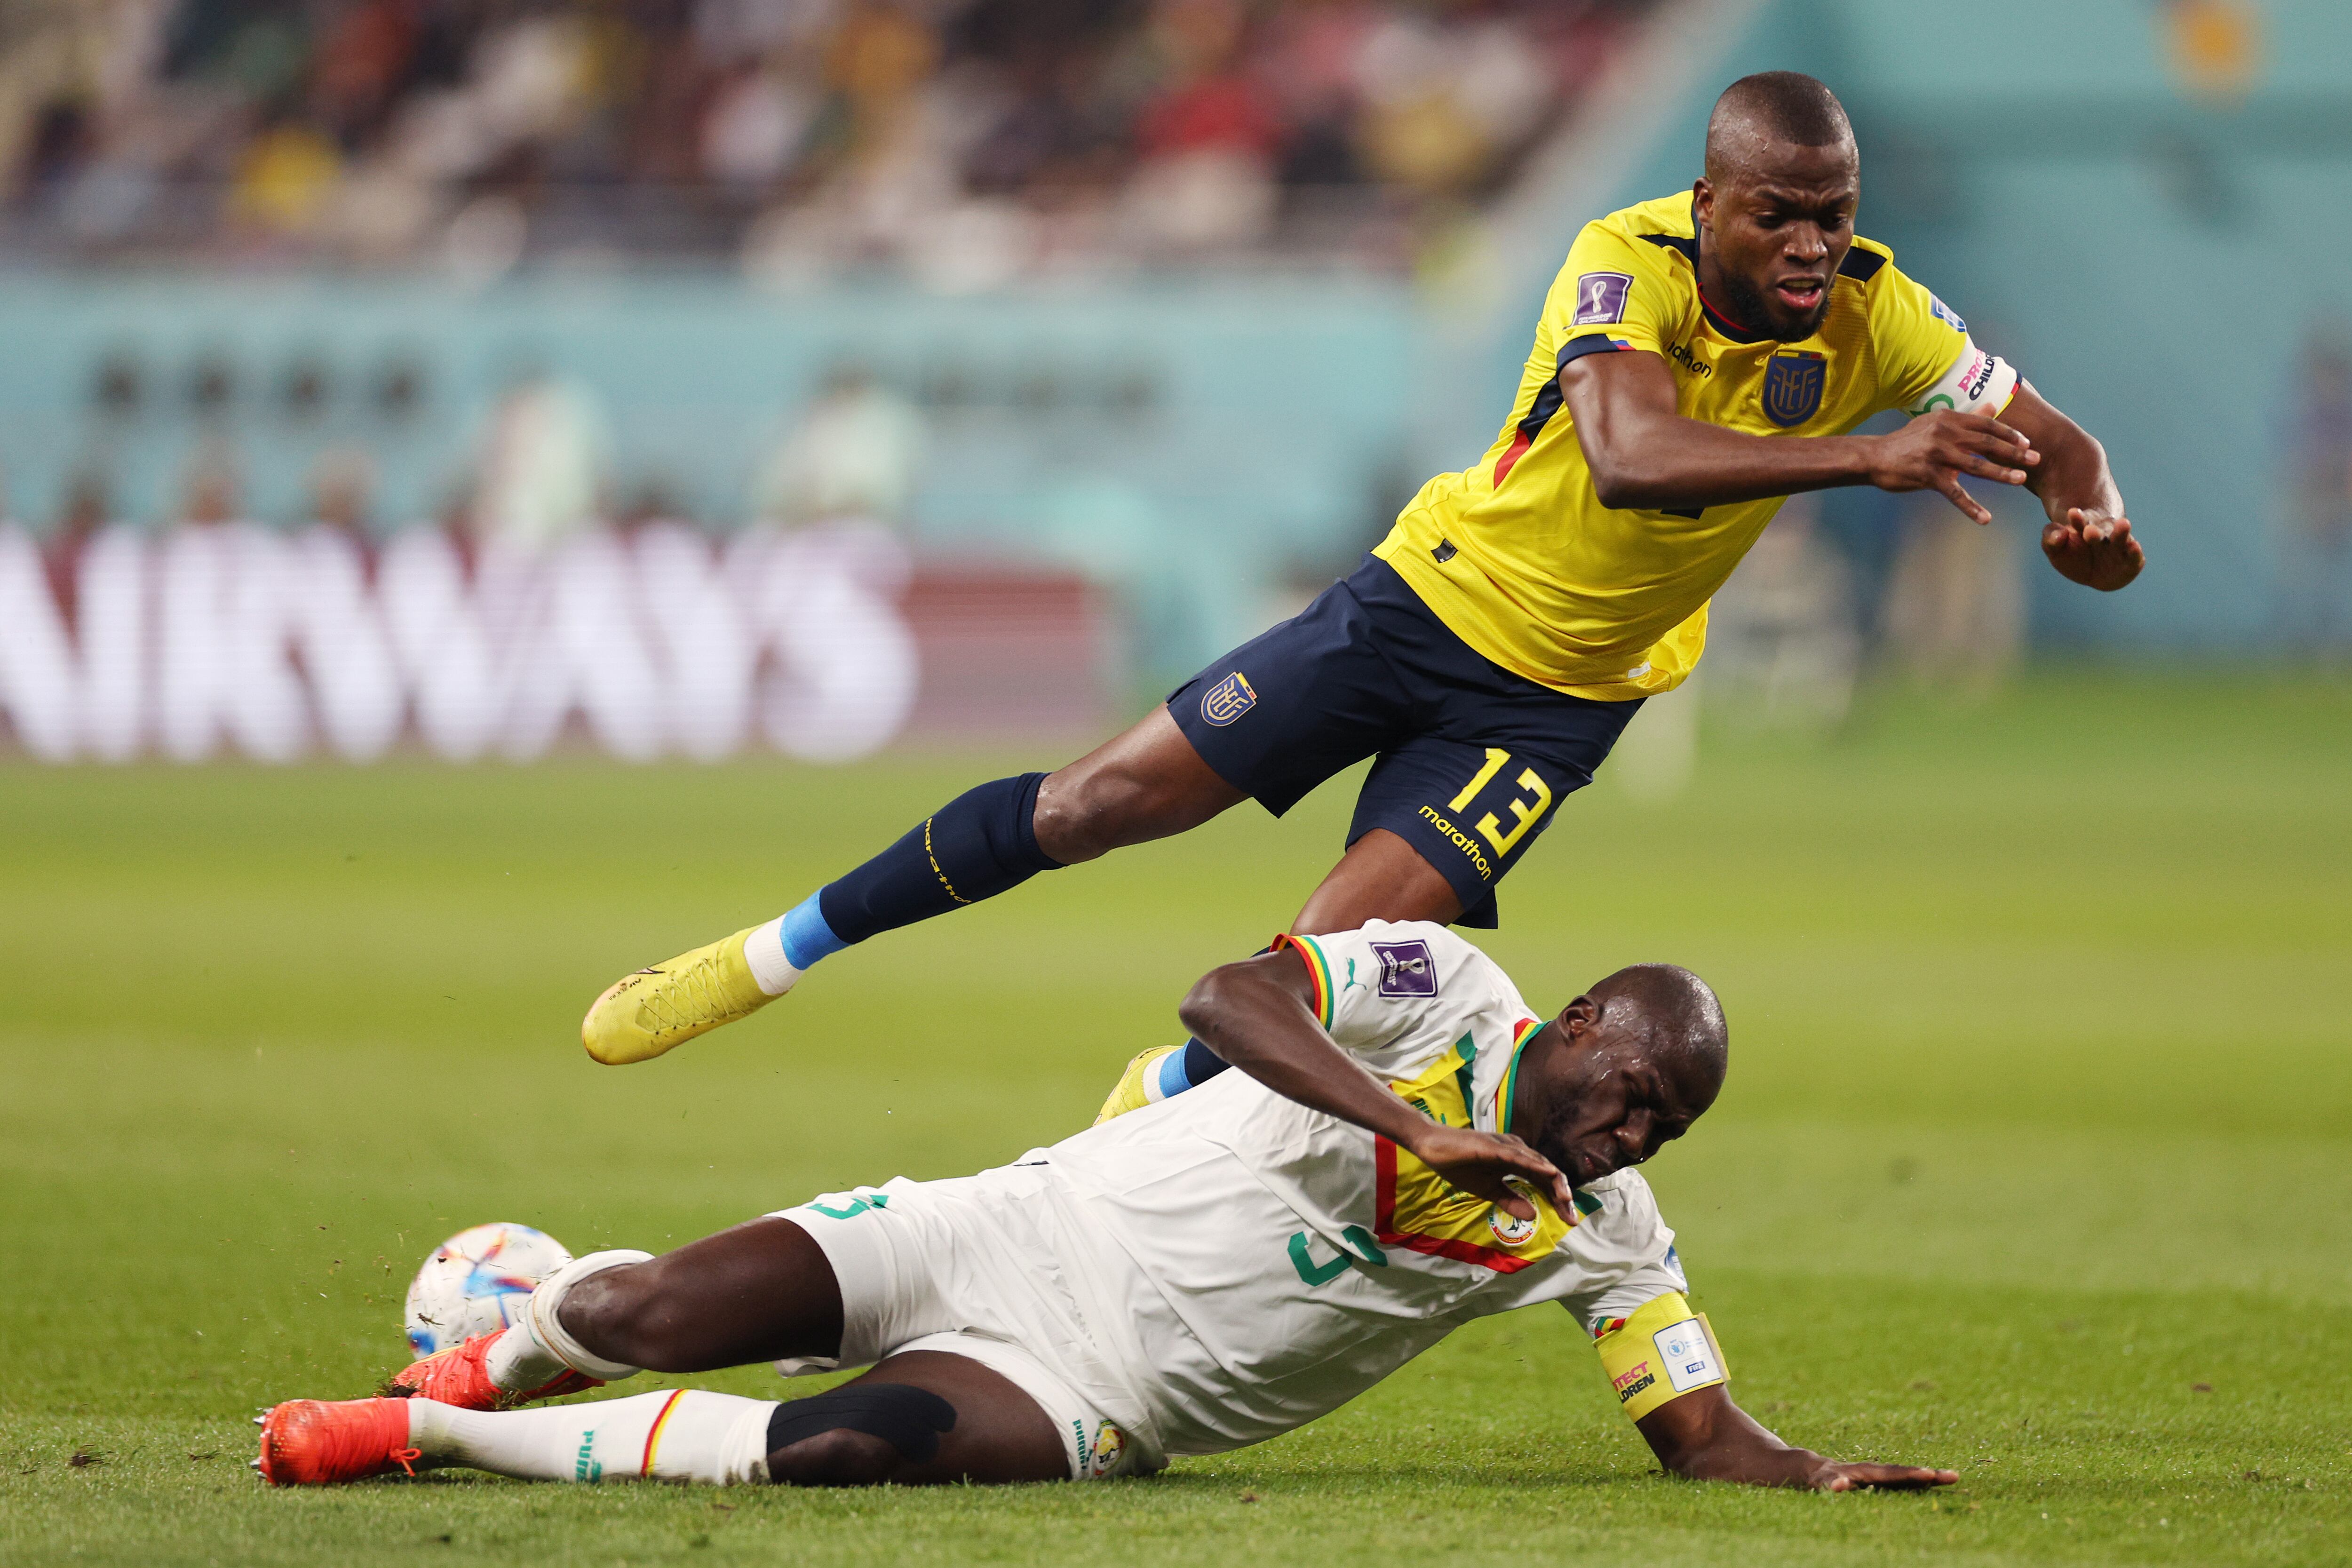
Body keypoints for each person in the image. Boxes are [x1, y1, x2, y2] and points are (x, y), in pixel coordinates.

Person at [577, 72, 2142, 1073]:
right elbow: (1630, 458)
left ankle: (1122, 1139)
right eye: (1781, 217)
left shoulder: (1884, 313)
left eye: (1836, 218)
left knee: (1305, 988)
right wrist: (1861, 460)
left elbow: (2060, 440)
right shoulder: (1621, 257)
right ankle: (769, 955)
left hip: (1561, 707)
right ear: (1711, 204)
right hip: (1422, 607)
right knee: (1091, 808)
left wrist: (2094, 517)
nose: (1813, 247)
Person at [259, 923, 1954, 1495]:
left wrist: (1806, 1470)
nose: (1633, 1132)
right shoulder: (1439, 989)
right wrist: (1411, 1138)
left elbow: (1695, 1425)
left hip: (1097, 1395)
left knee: (829, 1460)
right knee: (638, 1318)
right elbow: (1227, 995)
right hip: (1013, 1226)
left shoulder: (1608, 1232)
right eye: (1633, 1088)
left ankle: (423, 1435)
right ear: (1577, 1024)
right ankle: (501, 1354)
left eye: (1669, 1126)